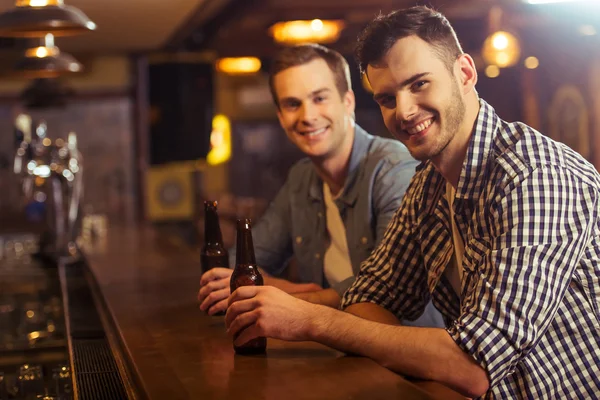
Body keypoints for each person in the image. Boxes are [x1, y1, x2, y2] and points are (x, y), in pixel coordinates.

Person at [224, 6, 600, 399]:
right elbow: (370, 295)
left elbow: (472, 367)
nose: (403, 111)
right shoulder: (429, 183)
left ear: (465, 73)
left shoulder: (535, 177)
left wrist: (311, 321)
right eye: (387, 98)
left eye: (419, 84)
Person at [198, 43, 442, 327]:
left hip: (403, 361)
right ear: (280, 116)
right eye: (292, 104)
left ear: (347, 101)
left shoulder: (394, 169)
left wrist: (285, 295)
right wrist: (300, 291)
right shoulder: (302, 178)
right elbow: (242, 263)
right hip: (333, 353)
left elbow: (389, 288)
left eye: (319, 98)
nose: (307, 116)